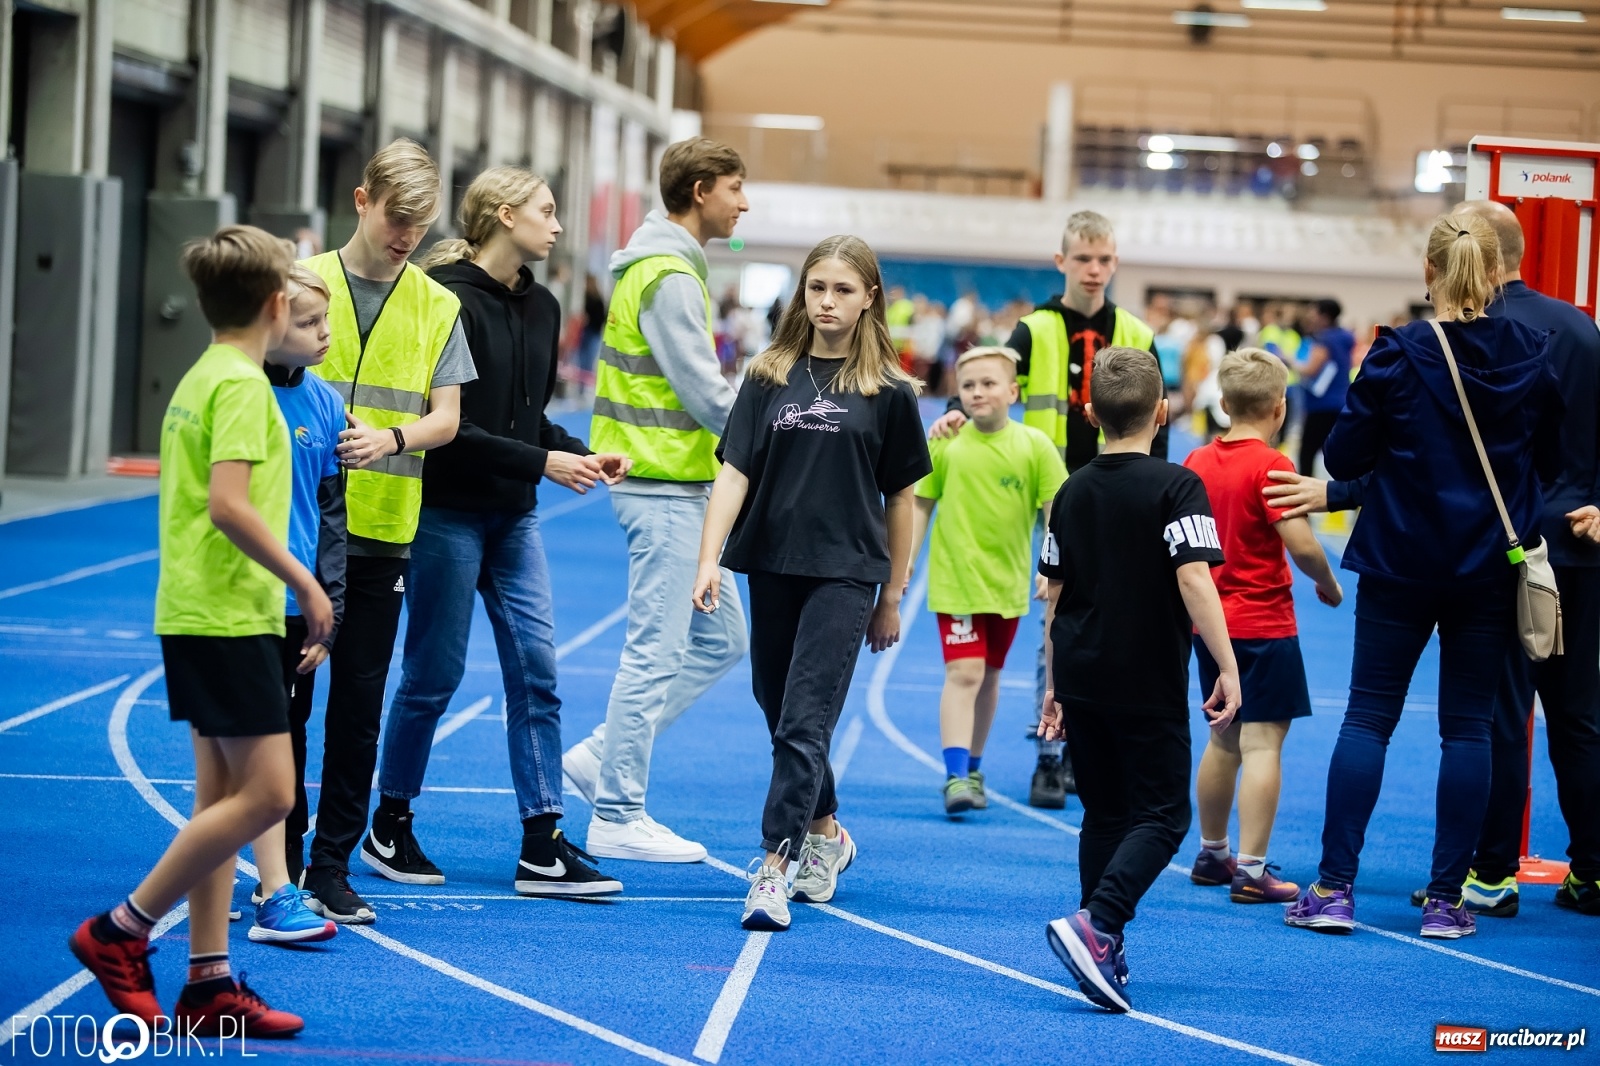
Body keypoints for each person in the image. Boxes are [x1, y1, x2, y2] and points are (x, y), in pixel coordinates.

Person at [1266, 200, 1600, 920]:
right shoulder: (1532, 355)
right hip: (1486, 564)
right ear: (1493, 269)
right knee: (1469, 728)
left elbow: (1346, 455)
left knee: (1368, 719)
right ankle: (1449, 900)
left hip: (1400, 560)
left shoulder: (1396, 351)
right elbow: (1543, 465)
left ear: (1430, 271)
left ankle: (1333, 890)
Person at [70, 225, 328, 1036]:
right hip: (229, 614)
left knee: (220, 797)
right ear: (275, 303)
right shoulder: (246, 388)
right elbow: (228, 504)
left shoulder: (203, 374)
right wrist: (304, 580)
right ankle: (124, 928)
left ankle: (209, 983)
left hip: (197, 609)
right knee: (273, 796)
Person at [362, 167, 629, 897]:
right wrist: (544, 460)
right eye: (548, 211)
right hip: (445, 514)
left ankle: (543, 842)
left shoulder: (543, 307)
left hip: (514, 519)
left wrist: (574, 452)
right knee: (433, 676)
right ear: (506, 216)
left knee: (538, 675)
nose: (558, 224)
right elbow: (453, 429)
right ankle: (390, 822)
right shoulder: (446, 301)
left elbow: (524, 420)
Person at [692, 235, 931, 932]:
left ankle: (774, 866)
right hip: (771, 562)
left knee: (804, 719)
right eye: (817, 287)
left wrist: (892, 595)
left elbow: (903, 501)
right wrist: (709, 559)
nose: (827, 301)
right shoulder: (769, 374)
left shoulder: (888, 392)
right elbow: (733, 471)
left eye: (843, 290)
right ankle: (827, 828)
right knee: (779, 708)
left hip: (846, 573)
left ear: (869, 299)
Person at [928, 210, 1161, 809]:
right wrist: (956, 407)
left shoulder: (1135, 331)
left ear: (1116, 262)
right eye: (1083, 259)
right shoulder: (1034, 330)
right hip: (1052, 490)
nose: (1094, 269)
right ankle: (1049, 754)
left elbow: (1158, 413)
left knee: (1121, 626)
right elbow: (990, 378)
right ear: (1062, 262)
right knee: (1054, 626)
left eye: (1104, 259)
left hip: (1123, 491)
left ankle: (1097, 751)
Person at [561, 139, 750, 863]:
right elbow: (705, 392)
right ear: (701, 190)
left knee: (722, 639)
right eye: (736, 188)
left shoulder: (666, 268)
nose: (744, 203)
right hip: (662, 487)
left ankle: (598, 761)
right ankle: (616, 811)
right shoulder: (669, 276)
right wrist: (779, 444)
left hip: (682, 488)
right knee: (656, 649)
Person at [300, 138, 475, 923]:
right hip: (298, 529)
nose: (407, 235)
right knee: (286, 704)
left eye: (421, 223)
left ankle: (329, 867)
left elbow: (447, 418)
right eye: (397, 218)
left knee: (358, 709)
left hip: (382, 534)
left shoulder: (438, 304)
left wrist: (391, 439)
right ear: (363, 200)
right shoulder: (302, 282)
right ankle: (276, 867)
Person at [1037, 346, 1239, 1013]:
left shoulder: (1069, 491)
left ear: (1089, 413)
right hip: (1144, 675)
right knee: (1164, 813)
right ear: (1162, 411)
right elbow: (1194, 579)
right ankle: (1099, 924)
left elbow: (1053, 593)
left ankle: (1106, 941)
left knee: (1105, 811)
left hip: (1081, 672)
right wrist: (1227, 662)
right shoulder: (1178, 486)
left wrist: (1051, 682)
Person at [1181, 348, 1342, 906]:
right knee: (1264, 742)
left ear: (1223, 404)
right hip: (1264, 624)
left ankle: (1211, 852)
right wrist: (1329, 581)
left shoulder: (1197, 461)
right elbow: (1301, 544)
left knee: (1222, 740)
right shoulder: (1273, 466)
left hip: (1211, 626)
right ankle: (1251, 870)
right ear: (1280, 410)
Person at [909, 346, 1066, 816]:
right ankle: (956, 775)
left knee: (990, 676)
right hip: (956, 581)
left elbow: (1056, 512)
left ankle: (974, 766)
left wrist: (1049, 565)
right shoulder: (946, 443)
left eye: (989, 383)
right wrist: (906, 564)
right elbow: (921, 504)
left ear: (1013, 391)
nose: (978, 392)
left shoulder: (1034, 446)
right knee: (966, 672)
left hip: (1007, 585)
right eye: (969, 386)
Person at [247, 263, 346, 944]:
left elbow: (331, 514)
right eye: (311, 323)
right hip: (239, 602)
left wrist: (327, 604)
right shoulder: (239, 394)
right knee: (249, 748)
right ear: (272, 319)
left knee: (289, 735)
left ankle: (284, 873)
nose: (325, 336)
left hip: (298, 607)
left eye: (328, 321)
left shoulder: (325, 404)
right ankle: (265, 881)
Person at [1290, 299, 1354, 477]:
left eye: (1314, 313)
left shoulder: (1324, 339)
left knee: (1307, 452)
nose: (1310, 317)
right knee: (1339, 450)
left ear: (1324, 317)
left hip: (1322, 405)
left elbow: (1311, 369)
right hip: (1341, 402)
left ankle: (1304, 494)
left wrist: (1287, 359)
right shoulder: (1345, 337)